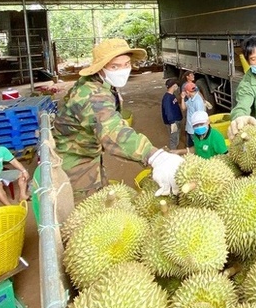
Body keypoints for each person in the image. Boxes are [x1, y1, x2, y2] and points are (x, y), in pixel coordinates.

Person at [53, 38, 183, 198]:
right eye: (114, 66)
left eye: (126, 64)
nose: (122, 70)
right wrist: (153, 155)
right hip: (75, 163)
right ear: (100, 68)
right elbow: (112, 130)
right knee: (87, 211)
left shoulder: (101, 84)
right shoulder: (91, 95)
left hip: (90, 154)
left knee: (102, 196)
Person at [180, 81, 206, 149]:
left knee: (197, 147)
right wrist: (182, 98)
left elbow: (200, 117)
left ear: (188, 92)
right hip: (189, 128)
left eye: (185, 91)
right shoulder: (191, 98)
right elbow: (183, 108)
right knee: (190, 146)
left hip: (194, 130)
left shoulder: (197, 101)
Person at [161, 78, 183, 150]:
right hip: (173, 121)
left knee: (176, 138)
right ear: (173, 85)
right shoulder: (167, 98)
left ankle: (175, 151)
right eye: (176, 85)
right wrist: (172, 122)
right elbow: (168, 111)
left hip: (176, 119)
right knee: (173, 139)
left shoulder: (172, 95)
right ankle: (173, 153)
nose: (177, 86)